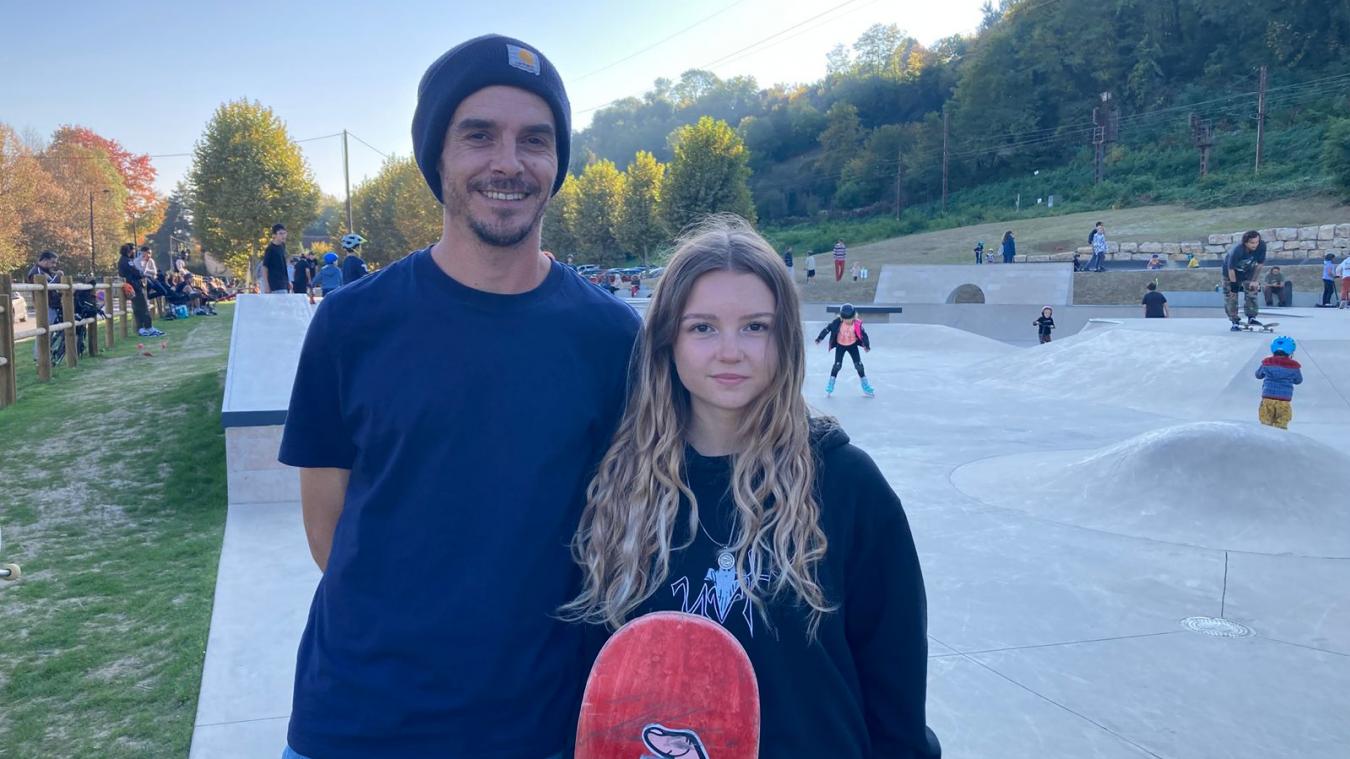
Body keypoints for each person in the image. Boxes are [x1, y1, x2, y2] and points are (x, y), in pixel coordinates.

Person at [277, 35, 640, 759]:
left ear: (557, 164)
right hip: (357, 723)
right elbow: (328, 531)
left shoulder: (611, 338)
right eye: (479, 135)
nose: (509, 161)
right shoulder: (350, 325)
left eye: (535, 140)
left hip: (541, 728)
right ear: (436, 155)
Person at [563, 217, 939, 758]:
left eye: (755, 327)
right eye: (703, 327)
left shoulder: (848, 486)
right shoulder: (618, 486)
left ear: (784, 339)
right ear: (668, 339)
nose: (731, 351)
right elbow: (591, 678)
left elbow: (895, 685)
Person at [815, 302, 874, 397]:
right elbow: (827, 329)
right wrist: (820, 338)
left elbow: (864, 335)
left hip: (852, 346)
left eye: (850, 319)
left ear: (854, 317)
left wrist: (866, 346)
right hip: (840, 346)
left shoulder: (857, 324)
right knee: (837, 365)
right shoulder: (837, 322)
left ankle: (865, 384)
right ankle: (831, 383)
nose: (848, 321)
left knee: (859, 365)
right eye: (846, 320)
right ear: (842, 317)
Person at [1255, 336, 1302, 430]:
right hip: (1284, 400)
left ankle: (1266, 441)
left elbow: (1258, 375)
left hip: (1267, 398)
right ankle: (1279, 442)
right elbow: (1298, 380)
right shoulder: (1294, 366)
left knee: (1265, 424)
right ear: (1291, 351)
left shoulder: (1267, 363)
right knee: (1281, 425)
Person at [1222, 230, 1266, 331]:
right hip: (1230, 274)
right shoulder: (1237, 250)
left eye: (1257, 242)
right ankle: (1234, 321)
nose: (1255, 245)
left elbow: (1260, 264)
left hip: (1247, 272)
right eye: (1252, 243)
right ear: (1245, 242)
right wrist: (1234, 287)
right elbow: (1231, 269)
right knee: (1231, 296)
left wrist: (1254, 280)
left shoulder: (1262, 246)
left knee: (1252, 291)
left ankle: (1252, 317)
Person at [26, 250, 66, 361]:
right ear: (44, 260)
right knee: (44, 330)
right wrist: (57, 277)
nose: (54, 265)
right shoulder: (36, 272)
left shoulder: (46, 271)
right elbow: (46, 287)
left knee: (49, 330)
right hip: (44, 304)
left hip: (51, 304)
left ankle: (45, 353)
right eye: (52, 262)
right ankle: (38, 356)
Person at [117, 243, 163, 337]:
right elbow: (136, 272)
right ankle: (149, 328)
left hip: (131, 286)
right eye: (134, 250)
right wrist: (142, 274)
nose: (135, 252)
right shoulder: (127, 261)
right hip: (134, 286)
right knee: (143, 307)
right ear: (129, 251)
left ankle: (141, 329)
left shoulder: (123, 260)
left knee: (137, 309)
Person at [262, 224, 290, 294]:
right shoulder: (270, 249)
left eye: (284, 233)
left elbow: (283, 266)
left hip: (283, 283)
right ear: (274, 235)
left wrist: (288, 281)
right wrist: (266, 285)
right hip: (274, 285)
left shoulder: (282, 246)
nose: (283, 236)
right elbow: (264, 267)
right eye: (280, 233)